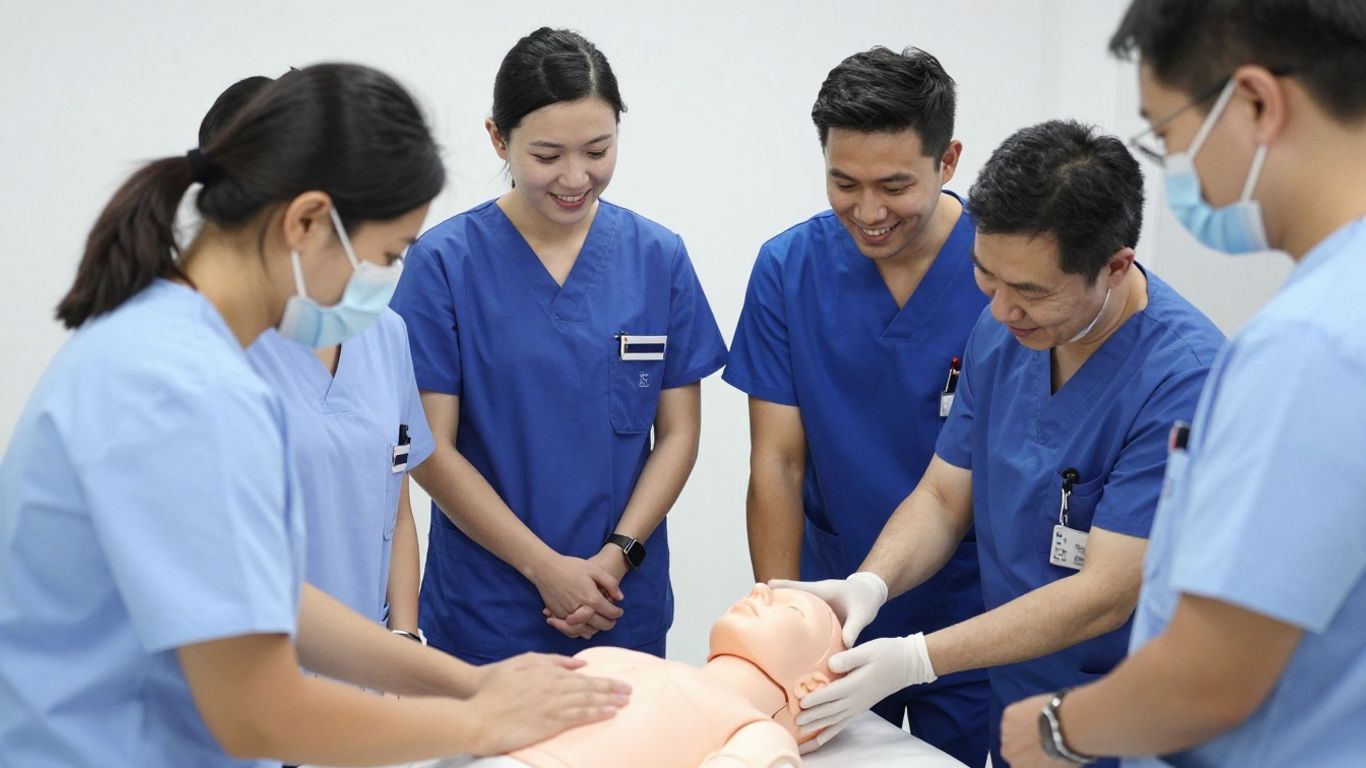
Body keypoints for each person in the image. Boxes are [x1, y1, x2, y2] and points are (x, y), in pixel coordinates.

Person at [0, 64, 627, 768]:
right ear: (304, 221)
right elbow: (259, 713)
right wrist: (482, 727)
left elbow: (270, 599)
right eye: (385, 256)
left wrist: (469, 683)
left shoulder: (159, 340)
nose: (379, 288)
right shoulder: (182, 388)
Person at [779, 120, 1224, 767]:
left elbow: (1105, 593)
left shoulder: (1186, 380)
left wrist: (917, 658)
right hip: (1019, 697)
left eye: (1031, 292)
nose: (1002, 309)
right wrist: (871, 583)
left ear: (1115, 266)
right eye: (987, 276)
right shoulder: (1006, 331)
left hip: (1127, 714)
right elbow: (942, 497)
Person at [1000, 2, 1366, 766]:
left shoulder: (1309, 346)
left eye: (1167, 134)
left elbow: (1210, 678)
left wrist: (1056, 729)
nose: (1177, 169)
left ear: (1257, 103)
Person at [392, 28, 728, 664]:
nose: (576, 177)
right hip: (490, 608)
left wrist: (616, 557)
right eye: (547, 155)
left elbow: (679, 434)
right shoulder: (444, 264)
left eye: (598, 150)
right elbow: (432, 451)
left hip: (619, 599)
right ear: (499, 139)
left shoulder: (657, 258)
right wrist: (545, 568)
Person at [722, 46, 990, 765]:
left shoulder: (1001, 273)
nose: (868, 213)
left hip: (968, 607)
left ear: (948, 160)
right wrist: (784, 624)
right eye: (844, 183)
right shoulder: (790, 269)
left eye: (895, 185)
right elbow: (777, 463)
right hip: (831, 601)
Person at [201, 73, 431, 642]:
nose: (380, 275)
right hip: (263, 671)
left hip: (354, 666)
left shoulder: (384, 334)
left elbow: (394, 507)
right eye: (383, 252)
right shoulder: (203, 357)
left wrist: (404, 642)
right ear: (303, 220)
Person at [468, 584, 845, 768]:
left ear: (812, 689)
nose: (762, 588)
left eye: (793, 609)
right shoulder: (618, 658)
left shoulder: (757, 732)